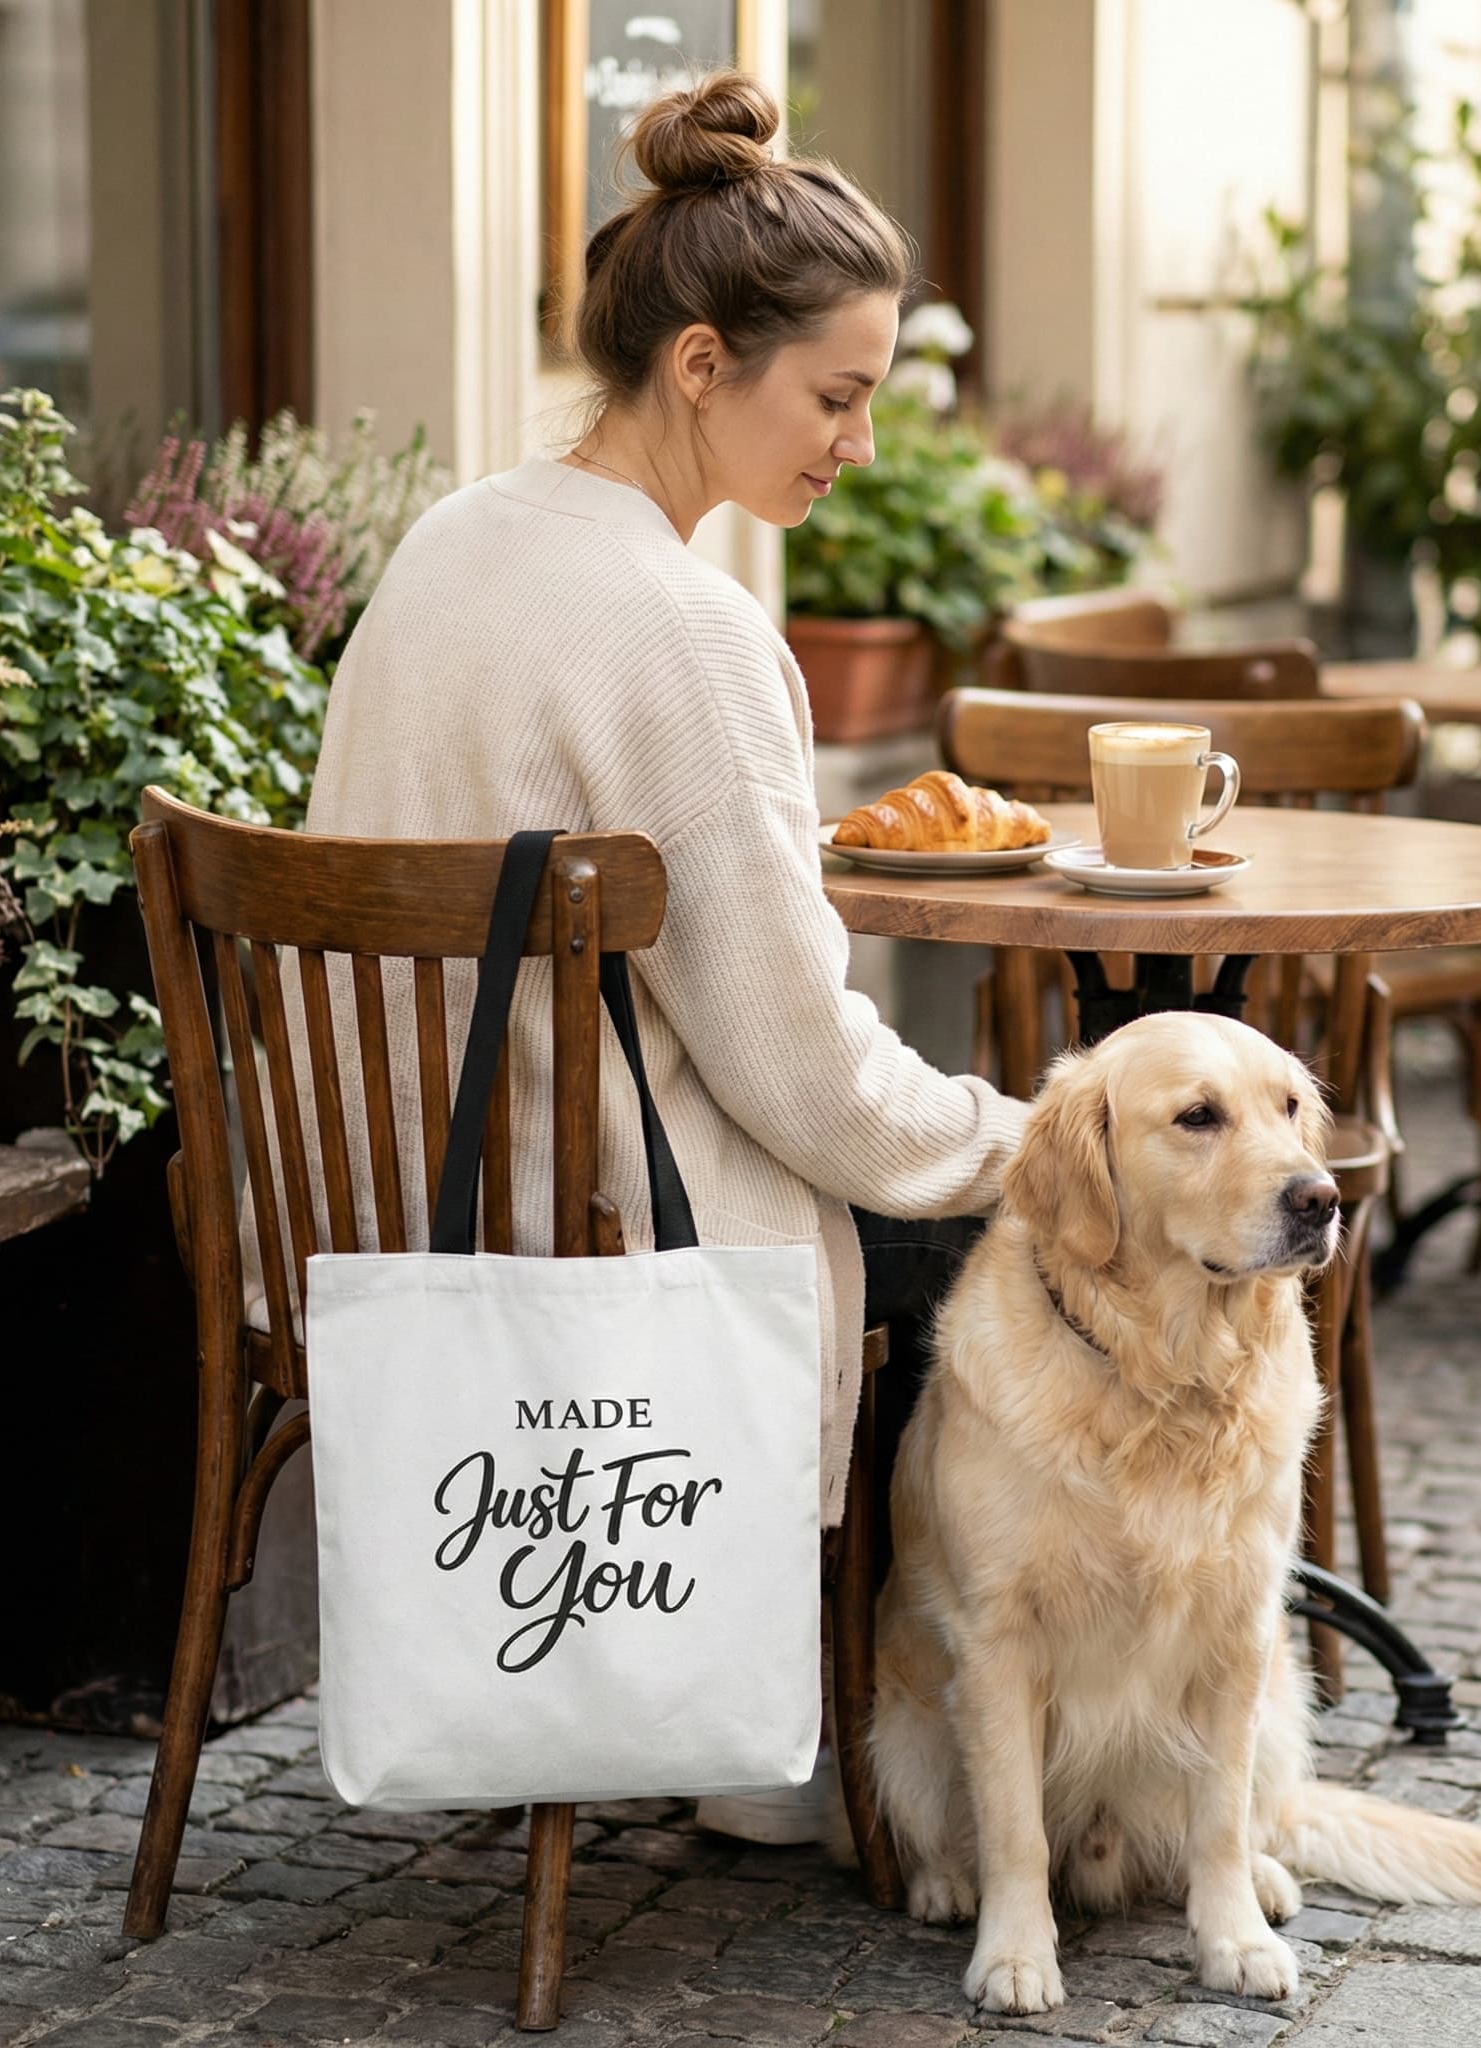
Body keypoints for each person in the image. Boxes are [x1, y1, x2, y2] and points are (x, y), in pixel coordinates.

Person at [302, 71, 1028, 1841]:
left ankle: (740, 1716)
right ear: (702, 365)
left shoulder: (461, 536)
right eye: (836, 395)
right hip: (586, 1225)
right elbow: (804, 1072)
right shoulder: (684, 629)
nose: (858, 440)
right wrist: (1028, 1139)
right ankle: (841, 1765)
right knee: (1016, 1234)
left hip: (377, 1197)